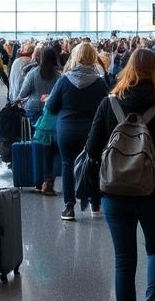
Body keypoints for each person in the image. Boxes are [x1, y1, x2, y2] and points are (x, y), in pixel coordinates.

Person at [85, 48, 155, 301]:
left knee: (124, 261)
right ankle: (153, 300)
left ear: (128, 69)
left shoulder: (109, 103)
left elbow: (92, 150)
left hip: (114, 193)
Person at [46, 42, 109, 220]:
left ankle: (69, 207)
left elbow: (51, 107)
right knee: (93, 164)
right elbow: (107, 107)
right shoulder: (100, 83)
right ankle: (95, 202)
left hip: (67, 130)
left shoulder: (64, 80)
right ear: (93, 58)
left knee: (67, 165)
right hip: (92, 132)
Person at [15, 47, 62, 195]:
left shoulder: (33, 73)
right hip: (52, 114)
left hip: (33, 112)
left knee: (37, 147)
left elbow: (23, 93)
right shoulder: (59, 77)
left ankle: (37, 180)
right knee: (52, 148)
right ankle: (49, 179)